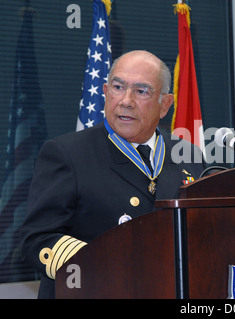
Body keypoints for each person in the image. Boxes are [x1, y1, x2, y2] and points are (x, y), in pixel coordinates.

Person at [20, 50, 206, 298]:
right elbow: (37, 239)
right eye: (118, 87)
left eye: (141, 91)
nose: (126, 100)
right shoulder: (67, 154)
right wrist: (102, 266)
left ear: (165, 105)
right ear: (106, 93)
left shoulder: (188, 156)